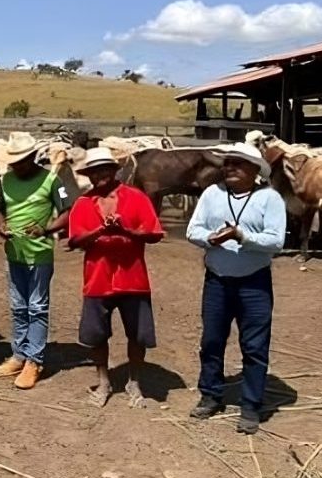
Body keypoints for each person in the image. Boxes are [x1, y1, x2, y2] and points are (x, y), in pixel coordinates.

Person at [186, 143, 286, 435]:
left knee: (254, 345)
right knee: (212, 340)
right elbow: (193, 229)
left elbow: (276, 241)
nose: (230, 168)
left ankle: (251, 405)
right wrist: (211, 238)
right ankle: (210, 394)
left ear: (255, 171)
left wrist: (241, 235)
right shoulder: (212, 194)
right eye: (227, 163)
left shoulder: (270, 199)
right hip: (217, 280)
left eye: (238, 164)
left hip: (254, 282)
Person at [68, 148, 164, 408]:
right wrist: (101, 230)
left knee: (138, 334)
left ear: (114, 170)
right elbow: (75, 240)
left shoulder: (136, 198)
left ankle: (134, 380)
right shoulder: (82, 203)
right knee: (97, 334)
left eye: (104, 170)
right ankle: (104, 381)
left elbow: (155, 233)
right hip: (98, 279)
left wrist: (128, 231)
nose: (99, 175)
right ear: (88, 175)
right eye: (93, 171)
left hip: (133, 278)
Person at [0, 132, 73, 389]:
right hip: (13, 253)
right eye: (13, 162)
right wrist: (1, 225)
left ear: (32, 157)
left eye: (21, 161)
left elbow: (68, 211)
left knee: (36, 306)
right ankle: (18, 354)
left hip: (39, 255)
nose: (16, 166)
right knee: (18, 306)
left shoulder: (52, 180)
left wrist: (47, 230)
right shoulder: (4, 181)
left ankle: (34, 361)